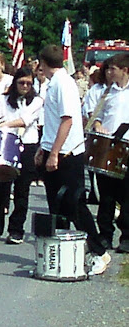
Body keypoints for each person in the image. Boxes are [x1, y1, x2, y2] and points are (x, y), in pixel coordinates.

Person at [36, 44, 110, 275]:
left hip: (67, 154)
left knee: (74, 204)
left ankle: (99, 251)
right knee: (56, 207)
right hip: (52, 148)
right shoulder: (53, 84)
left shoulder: (63, 83)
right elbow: (52, 121)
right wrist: (44, 148)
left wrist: (55, 152)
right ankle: (62, 257)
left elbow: (67, 120)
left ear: (44, 63)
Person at [0, 66, 44, 244]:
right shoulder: (3, 99)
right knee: (1, 188)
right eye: (21, 82)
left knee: (21, 190)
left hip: (27, 145)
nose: (25, 86)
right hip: (6, 144)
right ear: (15, 83)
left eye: (28, 83)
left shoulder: (37, 101)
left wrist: (4, 124)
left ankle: (16, 230)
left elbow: (25, 121)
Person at [90, 53, 129, 253]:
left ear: (125, 70)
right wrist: (98, 126)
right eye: (108, 68)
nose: (108, 72)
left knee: (127, 195)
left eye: (113, 69)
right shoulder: (105, 93)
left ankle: (127, 237)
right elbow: (96, 118)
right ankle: (105, 235)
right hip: (108, 148)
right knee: (106, 196)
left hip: (127, 149)